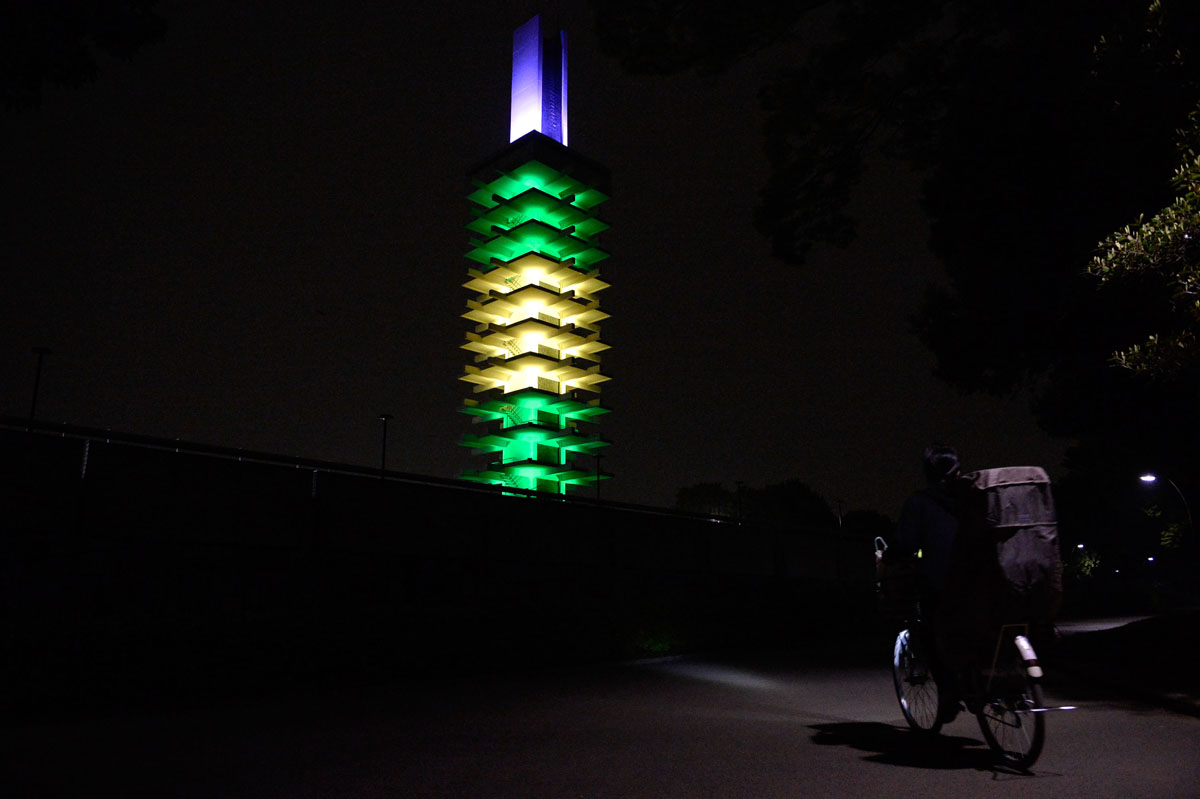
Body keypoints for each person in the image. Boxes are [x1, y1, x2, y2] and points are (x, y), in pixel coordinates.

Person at [894, 443, 963, 722]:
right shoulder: (974, 498)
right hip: (980, 580)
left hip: (942, 584)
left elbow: (904, 544)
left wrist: (889, 556)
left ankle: (948, 695)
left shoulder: (919, 502)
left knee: (931, 633)